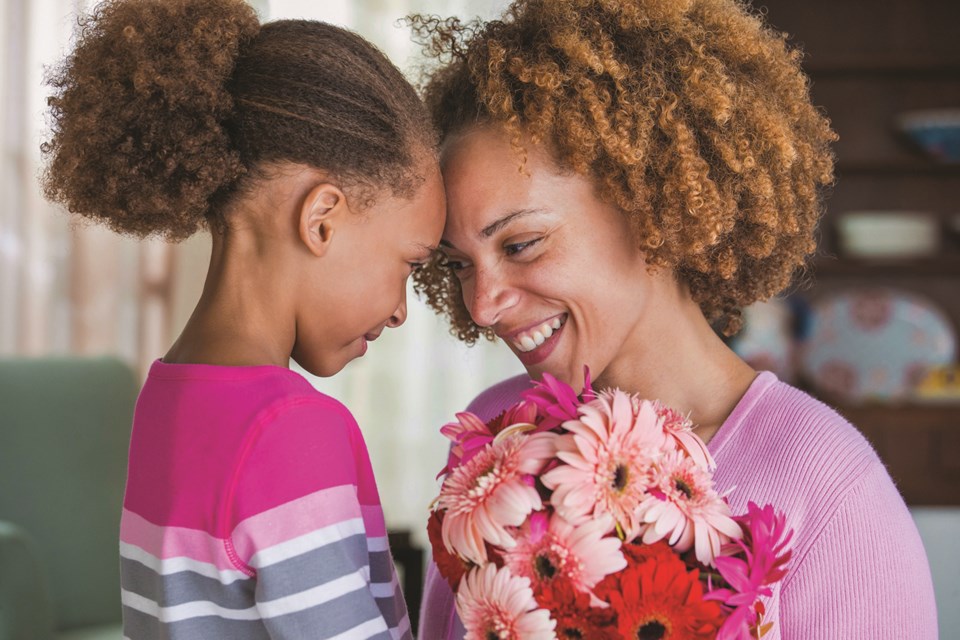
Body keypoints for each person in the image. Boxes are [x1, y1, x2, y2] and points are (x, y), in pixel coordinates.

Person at [409, 0, 938, 637]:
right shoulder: (501, 443)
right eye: (458, 264)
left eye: (520, 245)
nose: (482, 305)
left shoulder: (826, 485)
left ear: (648, 203)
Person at [41, 0, 444, 637]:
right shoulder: (291, 428)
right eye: (409, 264)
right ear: (321, 219)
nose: (400, 310)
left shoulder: (164, 397)